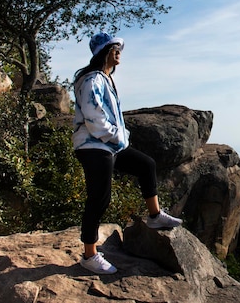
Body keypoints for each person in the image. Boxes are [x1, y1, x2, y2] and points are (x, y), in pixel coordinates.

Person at [72, 32, 182, 275]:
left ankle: (155, 216)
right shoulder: (92, 80)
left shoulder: (105, 79)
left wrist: (119, 138)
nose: (119, 52)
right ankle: (89, 256)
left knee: (146, 165)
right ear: (104, 52)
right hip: (94, 146)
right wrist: (118, 136)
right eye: (114, 48)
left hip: (109, 145)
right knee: (99, 199)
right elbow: (94, 119)